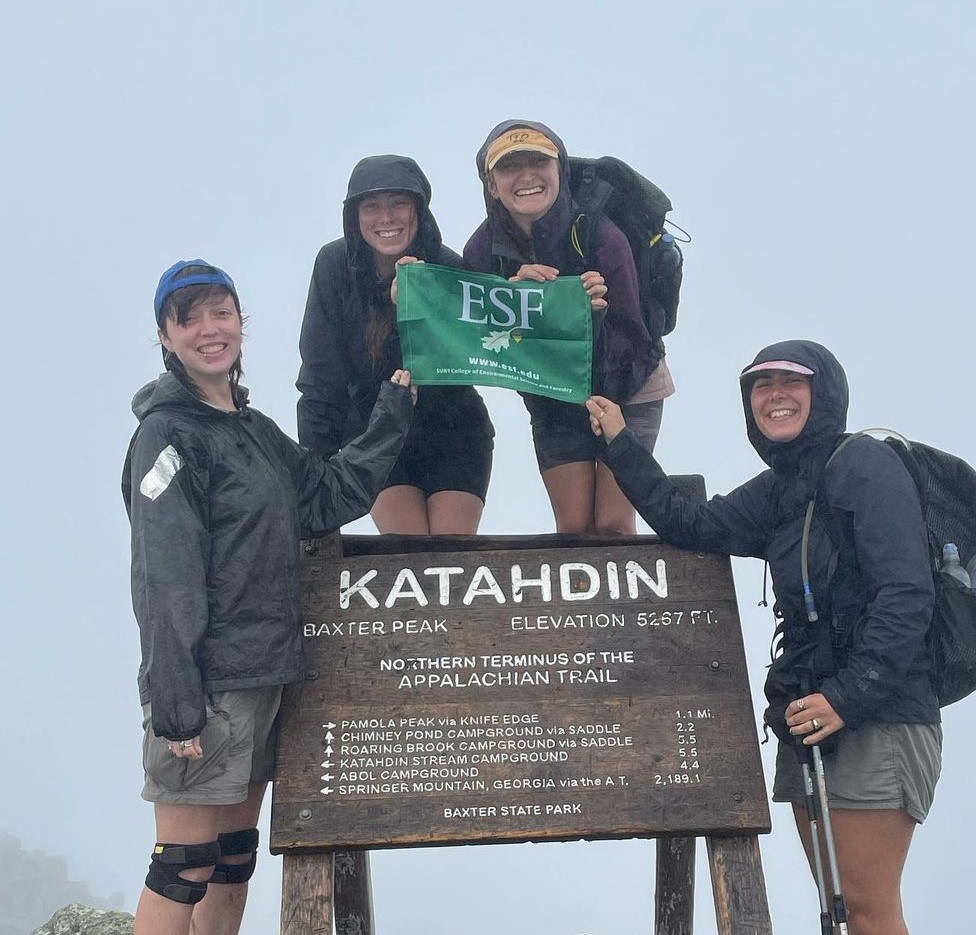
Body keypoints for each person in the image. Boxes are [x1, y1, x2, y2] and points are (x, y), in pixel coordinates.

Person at [586, 339, 940, 935]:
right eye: (760, 385)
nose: (774, 395)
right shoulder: (780, 488)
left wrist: (847, 699)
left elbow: (907, 594)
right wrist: (622, 443)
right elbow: (689, 523)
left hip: (877, 713)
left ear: (823, 392)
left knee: (867, 907)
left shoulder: (864, 464)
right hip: (809, 715)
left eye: (791, 382)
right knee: (839, 909)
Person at [123, 260, 414, 935]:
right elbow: (163, 571)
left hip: (264, 673)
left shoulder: (251, 430)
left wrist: (394, 408)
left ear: (240, 322)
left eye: (219, 312)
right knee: (183, 861)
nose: (208, 329)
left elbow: (327, 494)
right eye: (188, 317)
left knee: (230, 857)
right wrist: (176, 701)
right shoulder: (166, 435)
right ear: (165, 336)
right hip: (205, 686)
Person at [463, 120, 674, 535]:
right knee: (574, 528)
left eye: (538, 161)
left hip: (630, 385)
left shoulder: (602, 234)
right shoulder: (482, 251)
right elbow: (483, 346)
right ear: (491, 185)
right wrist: (512, 302)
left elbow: (633, 336)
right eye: (510, 167)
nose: (526, 176)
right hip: (553, 397)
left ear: (559, 169)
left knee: (612, 525)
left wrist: (590, 315)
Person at [298, 154, 494, 535]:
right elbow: (320, 379)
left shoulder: (447, 267)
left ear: (419, 210)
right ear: (354, 216)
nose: (386, 217)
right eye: (371, 205)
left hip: (453, 429)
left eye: (398, 203)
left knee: (449, 561)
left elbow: (486, 349)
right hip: (375, 430)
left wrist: (418, 308)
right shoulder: (333, 265)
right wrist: (315, 479)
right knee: (405, 554)